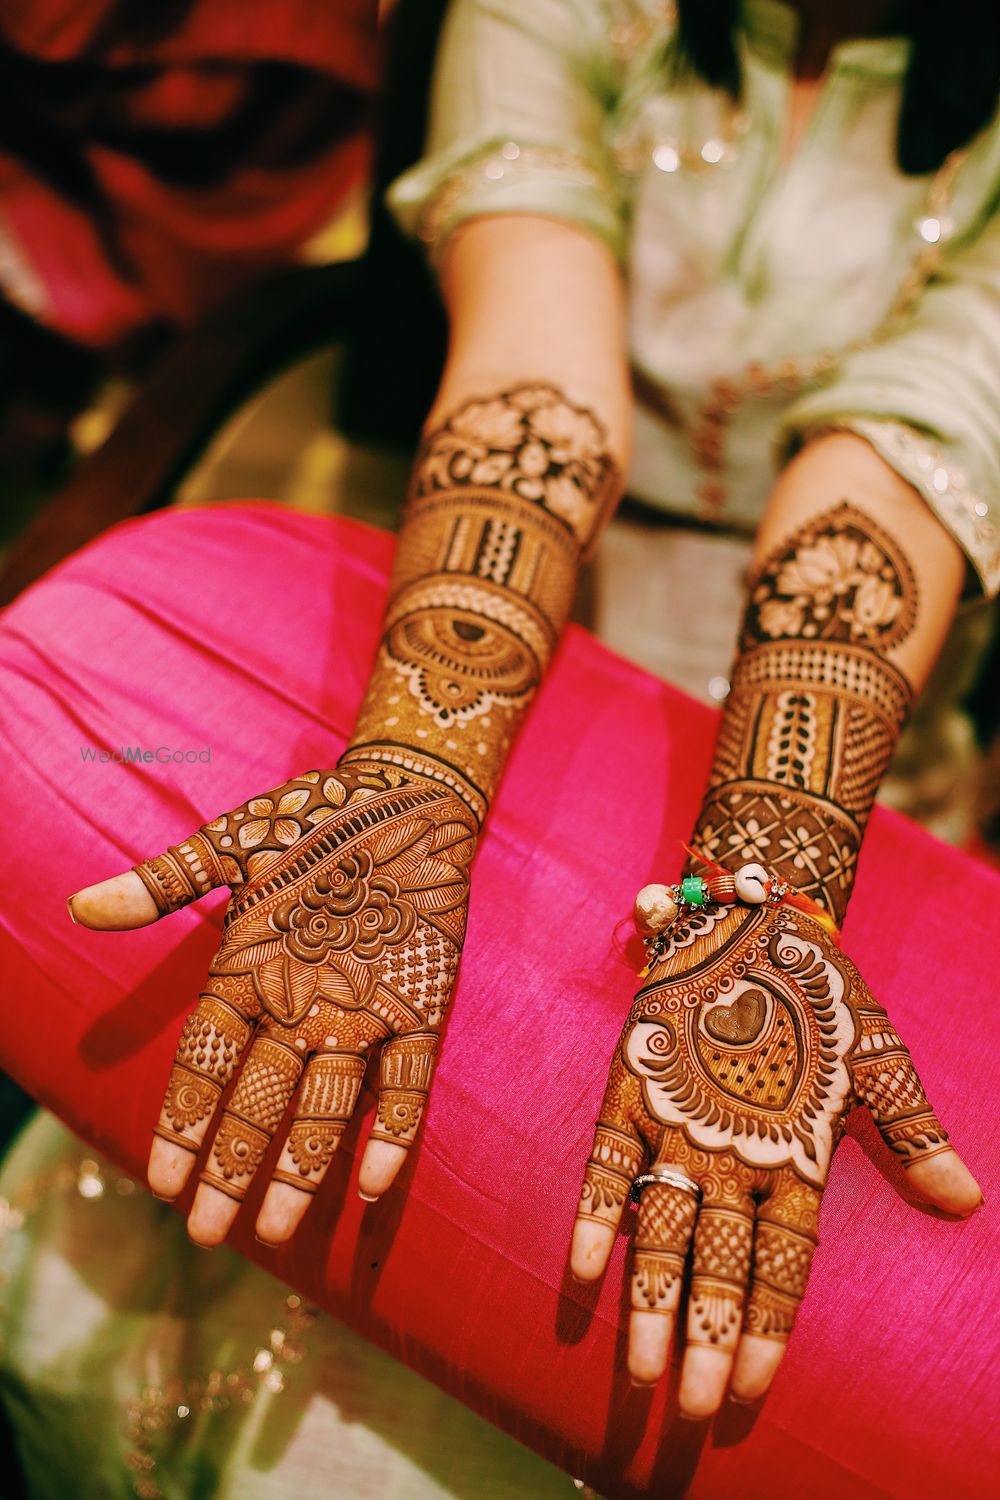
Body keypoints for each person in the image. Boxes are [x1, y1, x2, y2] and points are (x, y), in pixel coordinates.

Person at [2, 0, 996, 1491]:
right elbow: (537, 368)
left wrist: (764, 903)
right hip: (521, 693)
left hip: (860, 767)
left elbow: (902, 469)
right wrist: (411, 780)